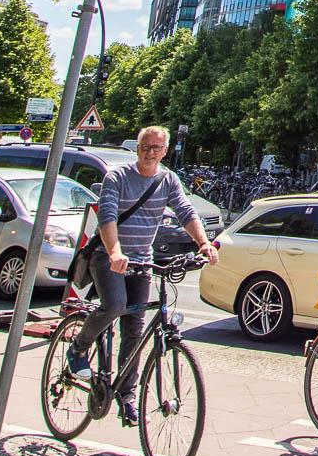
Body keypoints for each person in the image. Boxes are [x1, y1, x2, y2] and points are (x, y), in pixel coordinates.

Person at [67, 125, 218, 425]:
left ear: (165, 151)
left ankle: (127, 394)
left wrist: (203, 244)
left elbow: (186, 212)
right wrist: (114, 252)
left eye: (157, 148)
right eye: (145, 147)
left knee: (135, 329)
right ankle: (78, 347)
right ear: (137, 149)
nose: (151, 152)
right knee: (115, 306)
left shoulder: (168, 179)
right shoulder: (118, 177)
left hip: (142, 261)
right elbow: (107, 215)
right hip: (108, 257)